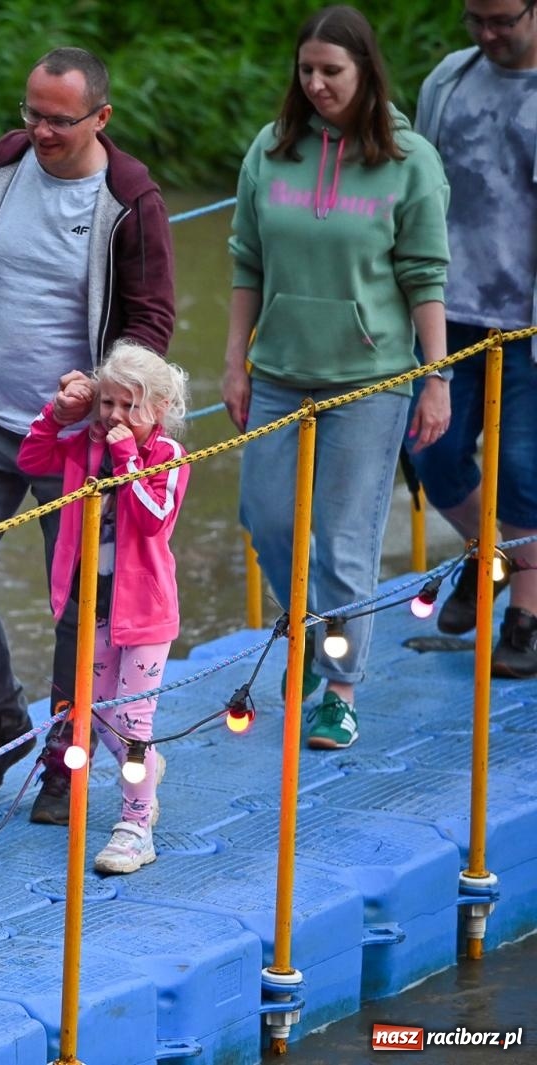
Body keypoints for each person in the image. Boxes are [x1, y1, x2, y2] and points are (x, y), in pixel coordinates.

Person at [0, 45, 175, 822]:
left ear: (100, 118)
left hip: (77, 439)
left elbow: (153, 322)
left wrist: (105, 389)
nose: (41, 131)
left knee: (77, 607)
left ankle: (62, 753)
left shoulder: (130, 197)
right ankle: (3, 715)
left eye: (59, 120)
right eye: (32, 114)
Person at [221, 6, 451, 751]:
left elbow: (425, 275)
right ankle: (314, 643)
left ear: (365, 73)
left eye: (333, 72)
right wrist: (235, 360)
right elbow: (247, 259)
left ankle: (339, 688)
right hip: (280, 371)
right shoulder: (273, 148)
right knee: (270, 520)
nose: (316, 84)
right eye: (306, 70)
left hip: (371, 379)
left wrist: (437, 376)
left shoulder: (408, 158)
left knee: (344, 540)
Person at [17, 343, 190, 874]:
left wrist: (125, 458)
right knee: (96, 712)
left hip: (144, 615)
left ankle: (136, 825)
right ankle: (148, 768)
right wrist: (58, 412)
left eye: (129, 407)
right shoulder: (84, 447)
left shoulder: (169, 460)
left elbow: (152, 520)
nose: (115, 417)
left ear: (158, 409)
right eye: (108, 404)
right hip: (93, 604)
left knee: (134, 719)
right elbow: (30, 459)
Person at [410, 0, 537, 676]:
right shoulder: (448, 81)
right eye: (475, 19)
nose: (488, 34)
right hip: (449, 315)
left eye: (502, 20)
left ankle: (526, 614)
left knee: (522, 471)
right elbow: (420, 189)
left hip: (529, 324)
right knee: (431, 452)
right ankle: (489, 553)